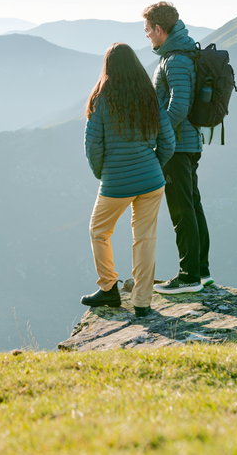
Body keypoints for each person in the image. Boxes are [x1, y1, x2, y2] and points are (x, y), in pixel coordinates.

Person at [81, 42, 176, 318]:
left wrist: (104, 174)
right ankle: (143, 302)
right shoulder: (149, 97)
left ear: (108, 67)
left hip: (117, 183)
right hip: (151, 182)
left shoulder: (100, 98)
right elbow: (167, 141)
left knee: (99, 231)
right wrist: (153, 167)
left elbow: (93, 147)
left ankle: (109, 288)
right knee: (145, 239)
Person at [143, 1, 212, 295]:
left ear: (159, 29)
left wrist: (160, 136)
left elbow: (179, 106)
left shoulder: (176, 60)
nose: (146, 36)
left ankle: (189, 275)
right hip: (186, 142)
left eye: (147, 30)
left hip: (177, 146)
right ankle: (201, 271)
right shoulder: (180, 54)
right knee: (192, 206)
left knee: (182, 209)